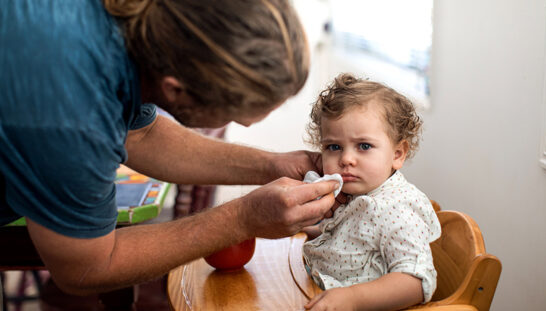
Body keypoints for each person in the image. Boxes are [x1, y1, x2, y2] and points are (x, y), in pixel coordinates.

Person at [0, 0, 341, 295]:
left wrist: (272, 165)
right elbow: (87, 267)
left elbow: (139, 135)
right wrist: (243, 218)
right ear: (175, 90)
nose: (248, 124)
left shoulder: (138, 31)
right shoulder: (72, 110)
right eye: (236, 113)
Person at [301, 73, 441, 311]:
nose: (346, 159)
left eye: (364, 146)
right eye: (334, 147)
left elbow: (417, 281)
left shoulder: (397, 210)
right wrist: (308, 228)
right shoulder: (357, 191)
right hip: (313, 289)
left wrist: (352, 298)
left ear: (397, 154)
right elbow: (351, 238)